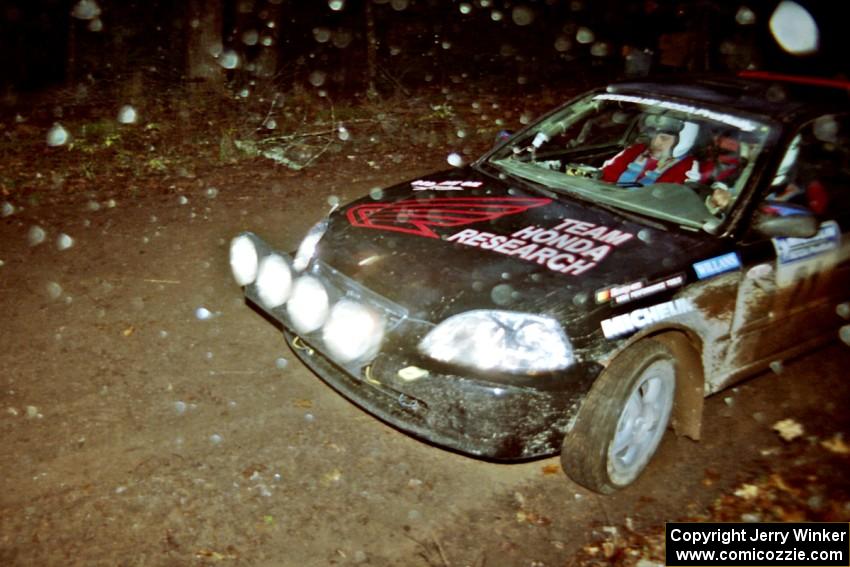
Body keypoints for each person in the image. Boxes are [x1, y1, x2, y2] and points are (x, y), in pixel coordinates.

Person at [601, 116, 700, 185]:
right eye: (653, 136)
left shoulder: (689, 169)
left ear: (683, 141)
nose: (655, 142)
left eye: (664, 138)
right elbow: (604, 177)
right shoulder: (636, 151)